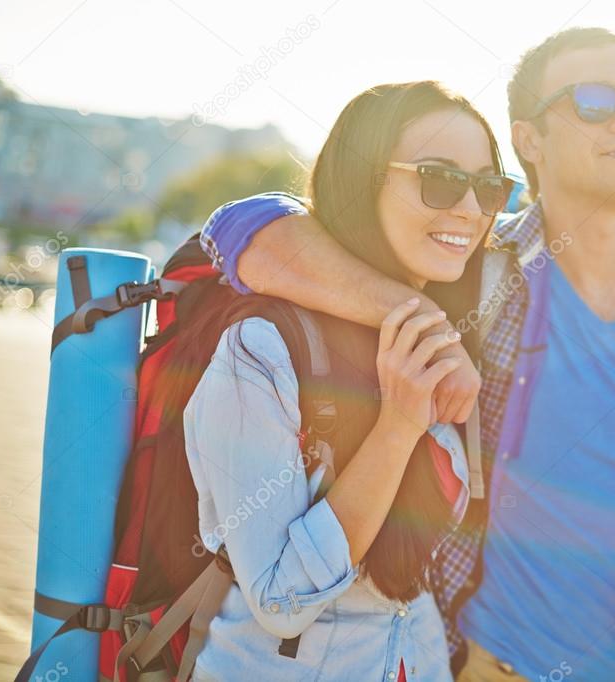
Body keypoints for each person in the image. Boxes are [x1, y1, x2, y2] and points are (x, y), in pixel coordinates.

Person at [199, 28, 615, 682]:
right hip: (469, 663)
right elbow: (239, 228)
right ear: (528, 139)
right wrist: (417, 313)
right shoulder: (468, 272)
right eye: (593, 100)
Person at [174, 80, 513, 680]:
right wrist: (400, 426)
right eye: (438, 177)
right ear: (363, 179)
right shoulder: (265, 348)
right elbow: (280, 601)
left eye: (490, 186)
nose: (469, 208)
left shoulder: (455, 329)